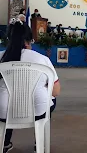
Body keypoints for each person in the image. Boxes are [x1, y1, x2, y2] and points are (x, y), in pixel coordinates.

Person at [0, 19, 61, 153]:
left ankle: (3, 143)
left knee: (7, 99)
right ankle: (39, 144)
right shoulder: (42, 59)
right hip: (37, 111)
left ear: (8, 38)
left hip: (3, 112)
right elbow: (56, 91)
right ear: (30, 40)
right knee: (50, 98)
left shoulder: (1, 57)